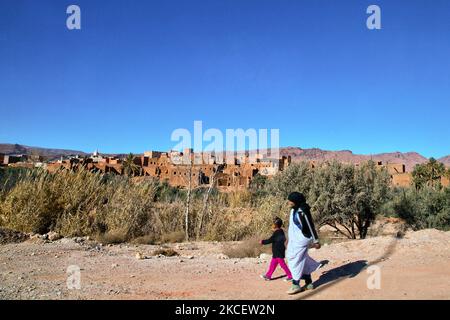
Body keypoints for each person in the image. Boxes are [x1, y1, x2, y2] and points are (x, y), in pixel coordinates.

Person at [286, 192, 323, 294]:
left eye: (290, 200)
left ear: (296, 201)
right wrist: (289, 239)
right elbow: (292, 226)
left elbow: (310, 225)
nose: (288, 202)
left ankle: (295, 284)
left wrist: (316, 241)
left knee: (293, 259)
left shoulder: (302, 211)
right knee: (303, 259)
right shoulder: (294, 210)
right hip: (295, 239)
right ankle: (309, 283)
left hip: (302, 239)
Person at [259, 217, 292, 281]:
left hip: (279, 252)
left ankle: (290, 276)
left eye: (274, 223)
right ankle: (268, 276)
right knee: (273, 264)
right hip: (277, 251)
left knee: (283, 265)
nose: (273, 225)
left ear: (276, 225)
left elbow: (270, 240)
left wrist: (262, 242)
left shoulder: (277, 233)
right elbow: (283, 239)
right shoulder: (280, 231)